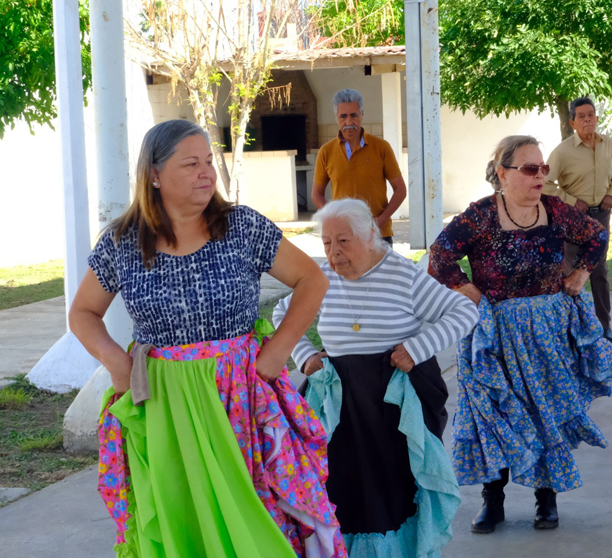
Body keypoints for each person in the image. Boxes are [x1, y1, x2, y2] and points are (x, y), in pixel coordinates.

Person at [69, 120, 346, 557]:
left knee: (254, 508)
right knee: (183, 508)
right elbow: (83, 313)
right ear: (154, 175)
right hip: (163, 400)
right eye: (190, 163)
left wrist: (277, 351)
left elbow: (311, 279)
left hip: (238, 393)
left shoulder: (241, 226)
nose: (206, 173)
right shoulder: (123, 240)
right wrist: (116, 364)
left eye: (208, 162)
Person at [428, 135, 612, 534]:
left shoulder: (555, 210)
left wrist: (581, 272)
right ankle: (492, 501)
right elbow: (440, 255)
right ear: (503, 173)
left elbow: (597, 236)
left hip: (546, 331)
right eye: (531, 169)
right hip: (493, 332)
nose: (540, 176)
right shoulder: (479, 216)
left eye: (543, 169)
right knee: (492, 414)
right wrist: (466, 288)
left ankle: (545, 500)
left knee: (544, 411)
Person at [274, 198, 478, 556]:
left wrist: (418, 347)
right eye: (326, 243)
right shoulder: (321, 278)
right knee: (340, 486)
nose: (334, 253)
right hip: (340, 404)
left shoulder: (404, 275)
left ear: (369, 235)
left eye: (343, 241)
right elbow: (281, 311)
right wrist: (305, 356)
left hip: (394, 406)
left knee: (394, 488)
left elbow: (463, 310)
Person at [544, 96, 612, 341]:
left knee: (598, 270)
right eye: (582, 116)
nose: (587, 119)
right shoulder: (562, 151)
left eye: (591, 114)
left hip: (600, 214)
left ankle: (603, 325)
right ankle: (569, 326)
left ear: (597, 118)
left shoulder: (608, 144)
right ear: (573, 122)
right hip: (572, 218)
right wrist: (570, 201)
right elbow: (546, 184)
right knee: (570, 272)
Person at [311, 89, 407, 245]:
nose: (349, 122)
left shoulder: (381, 147)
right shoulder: (326, 152)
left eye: (353, 115)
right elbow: (317, 194)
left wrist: (379, 221)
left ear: (362, 114)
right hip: (342, 238)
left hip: (378, 235)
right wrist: (333, 220)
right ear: (336, 118)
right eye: (343, 116)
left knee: (381, 271)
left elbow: (400, 189)